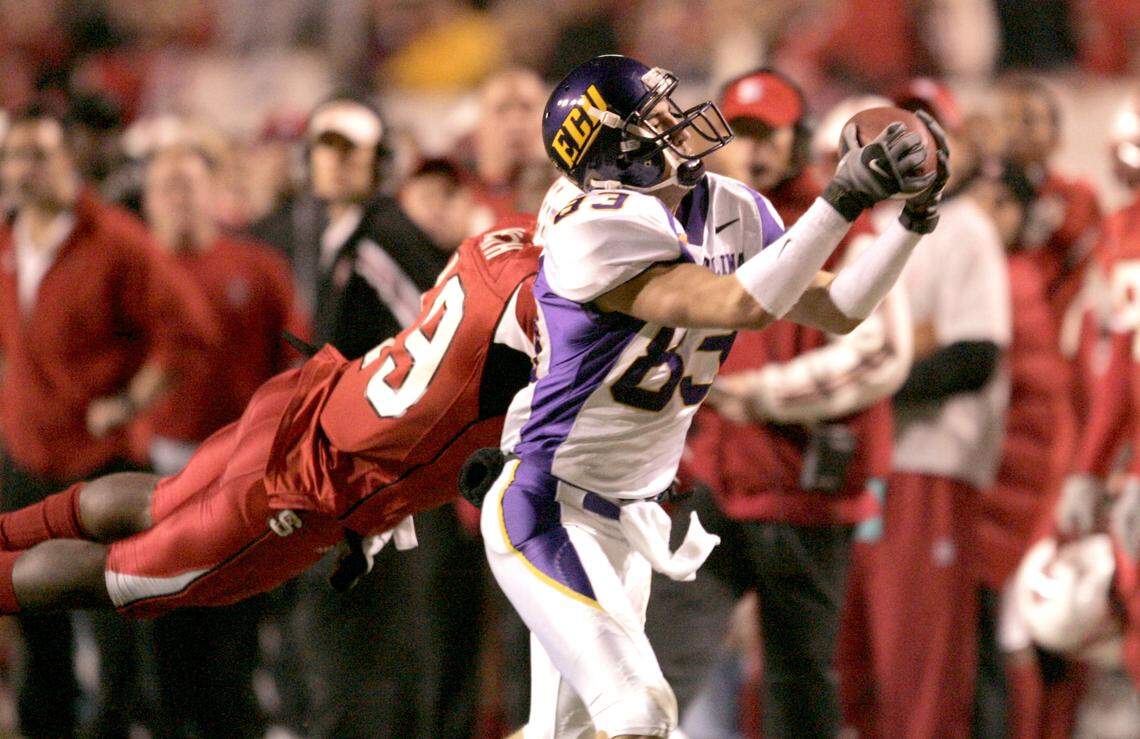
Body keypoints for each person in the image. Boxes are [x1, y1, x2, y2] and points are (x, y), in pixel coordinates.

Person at [481, 54, 947, 739]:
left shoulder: (729, 207)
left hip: (630, 518)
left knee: (570, 734)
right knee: (640, 712)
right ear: (609, 150)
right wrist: (841, 201)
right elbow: (738, 303)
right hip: (551, 507)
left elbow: (841, 307)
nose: (676, 121)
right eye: (652, 116)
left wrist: (913, 218)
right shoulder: (592, 229)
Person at [0, 216, 538, 615]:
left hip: (312, 400)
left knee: (155, 501)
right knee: (119, 577)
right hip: (312, 483)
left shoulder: (506, 238)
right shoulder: (546, 310)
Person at [643, 68, 912, 737]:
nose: (753, 149)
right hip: (716, 480)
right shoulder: (698, 220)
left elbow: (881, 352)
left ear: (799, 140)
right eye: (740, 132)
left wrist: (760, 397)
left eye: (770, 133)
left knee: (801, 682)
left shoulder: (850, 223)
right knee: (653, 667)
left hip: (806, 487)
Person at [0, 106, 220, 737]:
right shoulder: (10, 239)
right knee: (33, 627)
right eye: (14, 155)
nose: (23, 169)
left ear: (70, 160)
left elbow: (188, 333)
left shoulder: (116, 239)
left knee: (116, 624)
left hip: (99, 471)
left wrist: (127, 403)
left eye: (38, 154)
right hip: (25, 456)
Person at [840, 85, 1012, 738]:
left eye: (927, 130)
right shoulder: (871, 235)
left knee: (921, 673)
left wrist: (872, 373)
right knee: (858, 670)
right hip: (870, 466)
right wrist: (899, 353)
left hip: (931, 464)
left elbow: (973, 356)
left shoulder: (965, 228)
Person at [139, 136, 306, 738]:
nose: (179, 197)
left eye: (190, 183)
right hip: (146, 478)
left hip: (235, 476)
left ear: (214, 191)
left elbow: (296, 370)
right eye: (166, 185)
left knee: (233, 635)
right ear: (149, 198)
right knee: (159, 641)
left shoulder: (258, 269)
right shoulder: (128, 269)